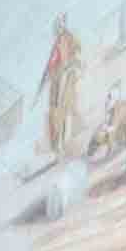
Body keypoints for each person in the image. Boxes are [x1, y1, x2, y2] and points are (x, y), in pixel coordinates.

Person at [37, 14, 84, 156]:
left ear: (63, 24)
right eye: (56, 25)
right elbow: (51, 65)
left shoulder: (68, 39)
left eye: (60, 24)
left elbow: (77, 58)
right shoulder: (58, 43)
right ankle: (57, 145)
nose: (57, 27)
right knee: (55, 113)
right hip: (57, 82)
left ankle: (61, 144)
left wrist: (70, 68)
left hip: (64, 80)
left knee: (62, 112)